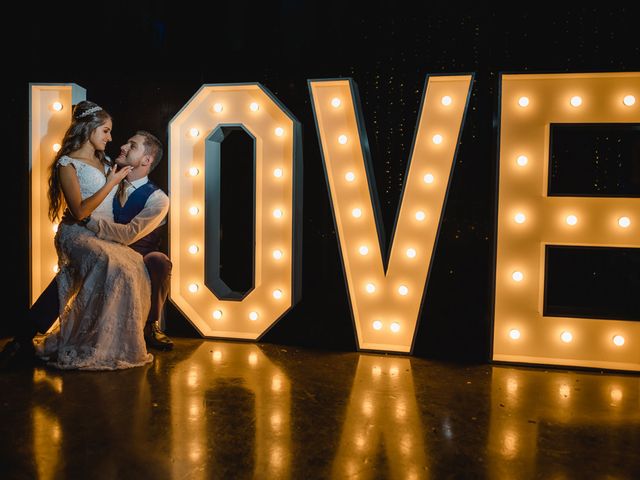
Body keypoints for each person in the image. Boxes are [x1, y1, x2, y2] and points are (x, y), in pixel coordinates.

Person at [1, 128, 173, 369]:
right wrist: (78, 211)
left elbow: (129, 234)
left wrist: (84, 219)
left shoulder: (159, 199)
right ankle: (24, 335)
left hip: (136, 253)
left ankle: (150, 325)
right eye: (125, 142)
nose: (122, 147)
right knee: (74, 268)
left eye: (132, 145)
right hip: (101, 244)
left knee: (158, 260)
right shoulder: (107, 176)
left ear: (146, 160)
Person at [36, 100, 151, 370]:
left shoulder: (106, 160)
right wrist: (111, 181)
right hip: (76, 233)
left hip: (100, 233)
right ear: (90, 130)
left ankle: (110, 341)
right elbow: (77, 211)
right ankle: (82, 340)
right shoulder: (67, 164)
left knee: (132, 263)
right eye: (106, 131)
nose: (111, 138)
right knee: (112, 263)